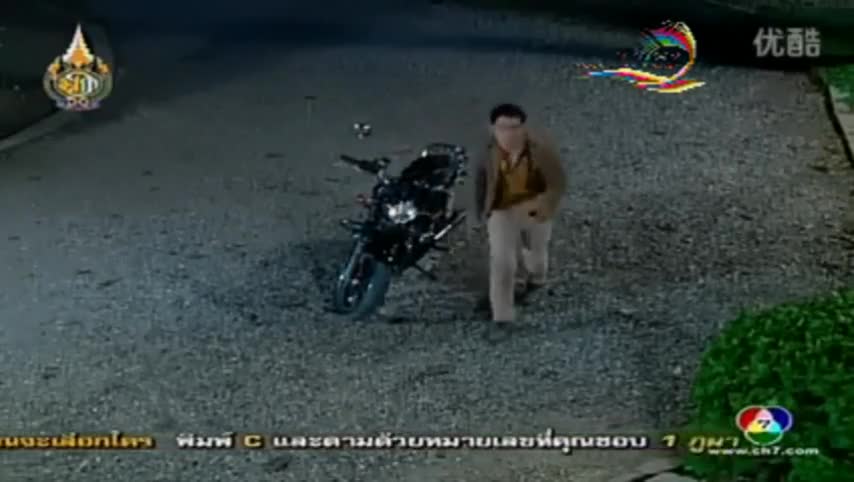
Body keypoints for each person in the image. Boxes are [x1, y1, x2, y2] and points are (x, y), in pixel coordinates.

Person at [471, 103, 567, 324]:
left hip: (533, 204)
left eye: (514, 128)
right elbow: (480, 183)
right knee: (502, 262)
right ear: (492, 129)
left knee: (536, 255)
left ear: (523, 128)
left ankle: (536, 278)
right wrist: (481, 213)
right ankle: (502, 315)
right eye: (503, 128)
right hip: (502, 209)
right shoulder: (486, 152)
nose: (509, 134)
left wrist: (545, 207)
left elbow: (557, 182)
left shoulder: (540, 149)